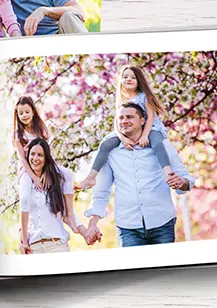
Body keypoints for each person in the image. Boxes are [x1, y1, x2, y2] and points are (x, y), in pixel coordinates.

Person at [82, 102, 196, 247]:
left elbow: (186, 179)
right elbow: (101, 192)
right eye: (121, 118)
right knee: (134, 270)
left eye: (129, 117)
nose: (124, 121)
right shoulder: (111, 152)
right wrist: (92, 223)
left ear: (143, 121)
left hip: (162, 222)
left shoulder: (162, 144)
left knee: (165, 269)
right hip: (128, 227)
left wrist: (182, 182)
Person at [78, 65, 174, 189]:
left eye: (133, 77)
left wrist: (145, 135)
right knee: (106, 145)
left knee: (156, 144)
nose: (129, 79)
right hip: (129, 129)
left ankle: (167, 172)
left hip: (151, 127)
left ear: (139, 80)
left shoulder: (145, 96)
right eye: (125, 77)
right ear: (121, 80)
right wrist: (122, 137)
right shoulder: (122, 99)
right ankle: (91, 177)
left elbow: (151, 117)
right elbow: (117, 120)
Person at [18, 139, 85, 254]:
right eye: (32, 154)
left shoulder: (55, 184)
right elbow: (24, 211)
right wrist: (23, 241)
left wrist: (85, 232)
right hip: (34, 247)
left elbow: (67, 213)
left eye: (40, 155)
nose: (35, 158)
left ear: (46, 158)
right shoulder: (25, 181)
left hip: (57, 245)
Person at [12, 95, 51, 184]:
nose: (24, 115)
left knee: (66, 174)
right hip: (26, 169)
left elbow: (47, 153)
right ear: (17, 115)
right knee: (26, 193)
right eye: (21, 113)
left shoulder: (41, 130)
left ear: (33, 112)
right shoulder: (19, 134)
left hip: (41, 166)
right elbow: (22, 158)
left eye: (27, 112)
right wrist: (34, 177)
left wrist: (46, 172)